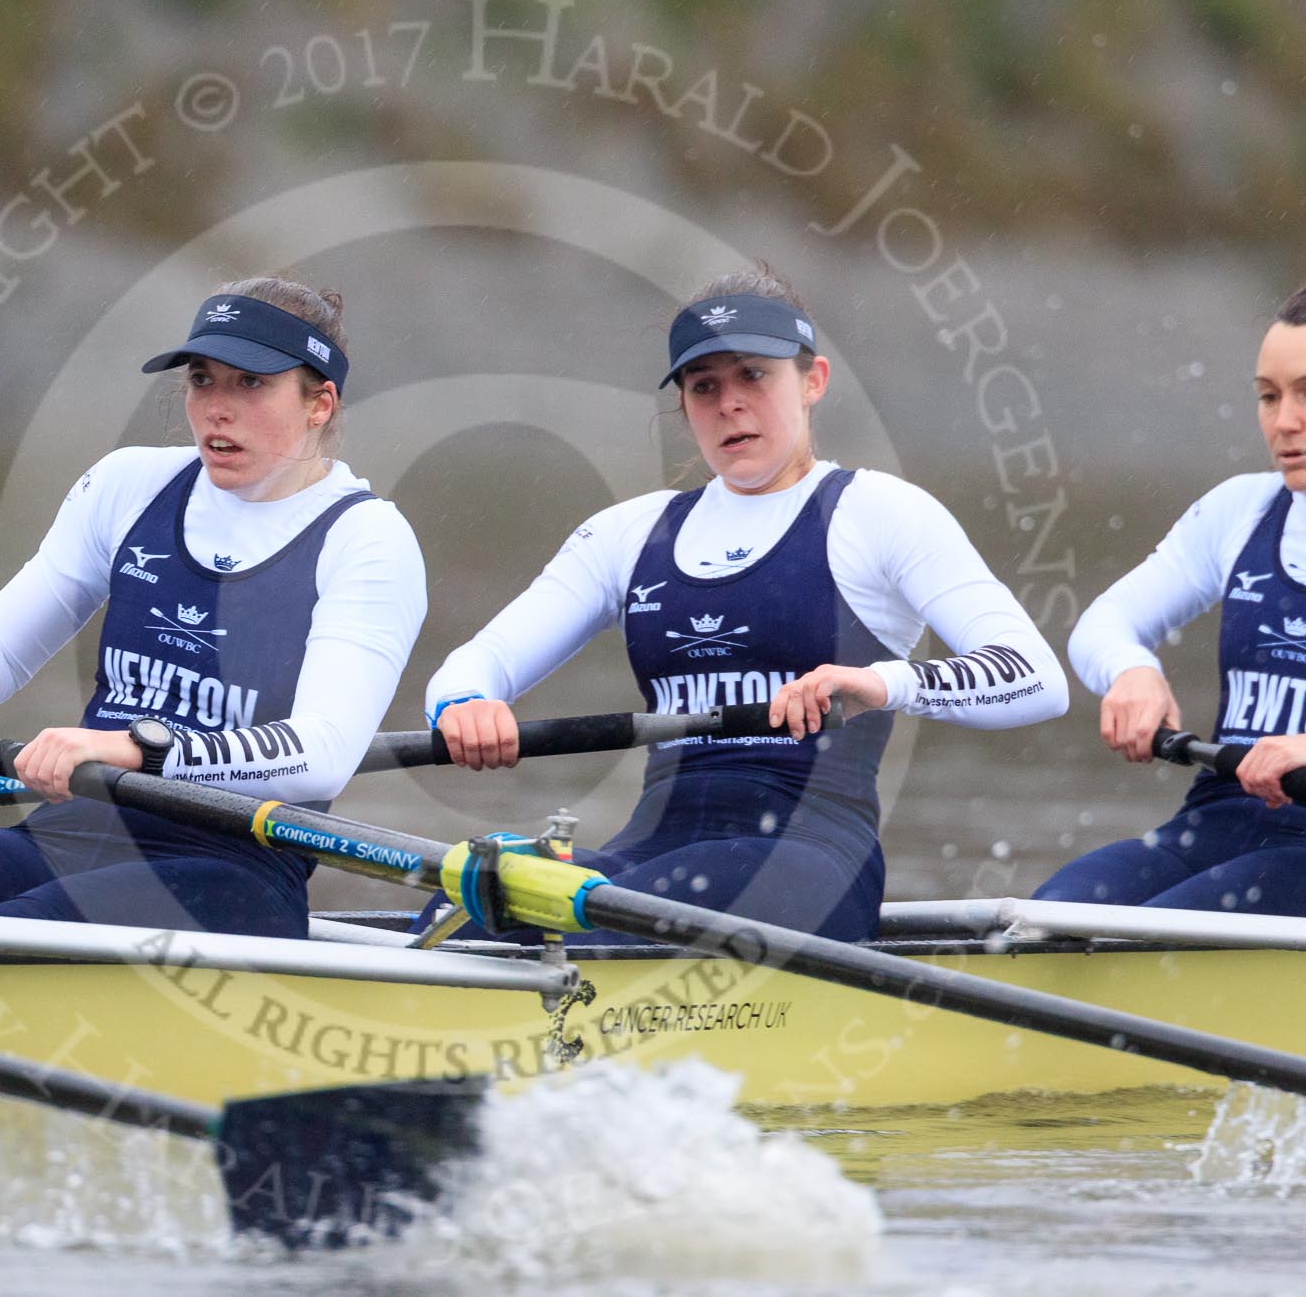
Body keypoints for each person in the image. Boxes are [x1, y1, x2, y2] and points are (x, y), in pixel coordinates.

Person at [423, 268, 1067, 943]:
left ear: (813, 380)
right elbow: (477, 664)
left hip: (808, 863)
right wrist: (467, 703)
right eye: (704, 387)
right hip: (650, 859)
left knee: (595, 918)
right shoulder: (625, 534)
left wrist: (880, 683)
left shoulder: (879, 513)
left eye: (754, 376)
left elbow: (1035, 679)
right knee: (460, 914)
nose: (729, 403)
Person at [0, 277, 425, 939]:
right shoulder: (127, 487)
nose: (217, 408)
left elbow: (323, 751)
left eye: (250, 384)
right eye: (203, 379)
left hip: (233, 866)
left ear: (320, 403)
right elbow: (2, 645)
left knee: (15, 934)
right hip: (74, 828)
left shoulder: (367, 539)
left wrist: (133, 748)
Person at [1035, 282, 1306, 923]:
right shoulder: (1241, 509)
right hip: (1208, 829)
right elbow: (1104, 623)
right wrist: (1132, 672)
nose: (1284, 421)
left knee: (1153, 937)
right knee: (1049, 916)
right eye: (1269, 396)